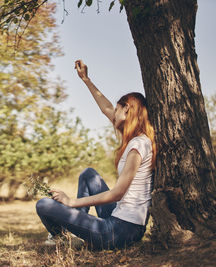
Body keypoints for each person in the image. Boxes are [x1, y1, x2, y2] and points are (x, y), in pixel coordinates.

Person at [35, 59, 157, 250]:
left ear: (127, 109)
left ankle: (61, 237)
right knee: (88, 174)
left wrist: (71, 202)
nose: (113, 114)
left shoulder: (138, 145)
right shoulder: (137, 138)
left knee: (43, 205)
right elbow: (105, 108)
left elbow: (118, 193)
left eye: (117, 109)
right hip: (120, 219)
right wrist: (86, 79)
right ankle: (73, 230)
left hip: (122, 230)